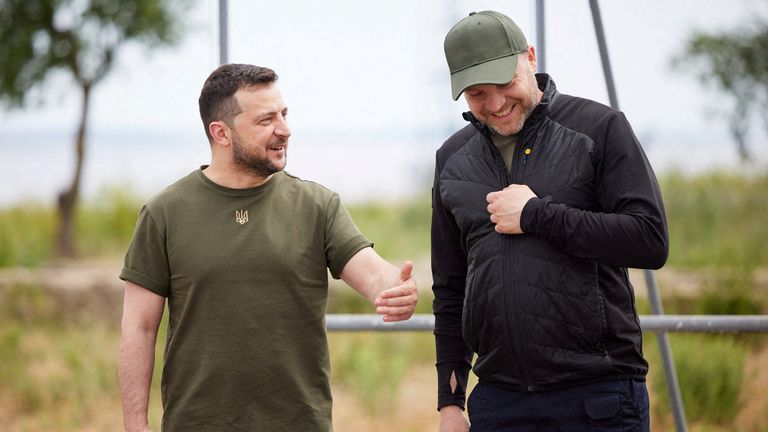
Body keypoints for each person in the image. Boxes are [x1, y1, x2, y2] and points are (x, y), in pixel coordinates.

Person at [118, 63, 418, 432]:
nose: (285, 130)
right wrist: (135, 425)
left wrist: (395, 288)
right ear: (221, 133)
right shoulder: (164, 213)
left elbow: (373, 272)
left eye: (285, 114)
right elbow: (138, 327)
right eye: (266, 120)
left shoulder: (317, 205)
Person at [431, 11, 668, 432]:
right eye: (477, 94)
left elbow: (648, 239)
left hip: (599, 398)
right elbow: (451, 288)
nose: (496, 103)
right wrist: (450, 402)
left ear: (530, 58)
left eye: (505, 84)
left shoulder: (601, 128)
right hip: (499, 404)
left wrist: (537, 215)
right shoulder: (451, 159)